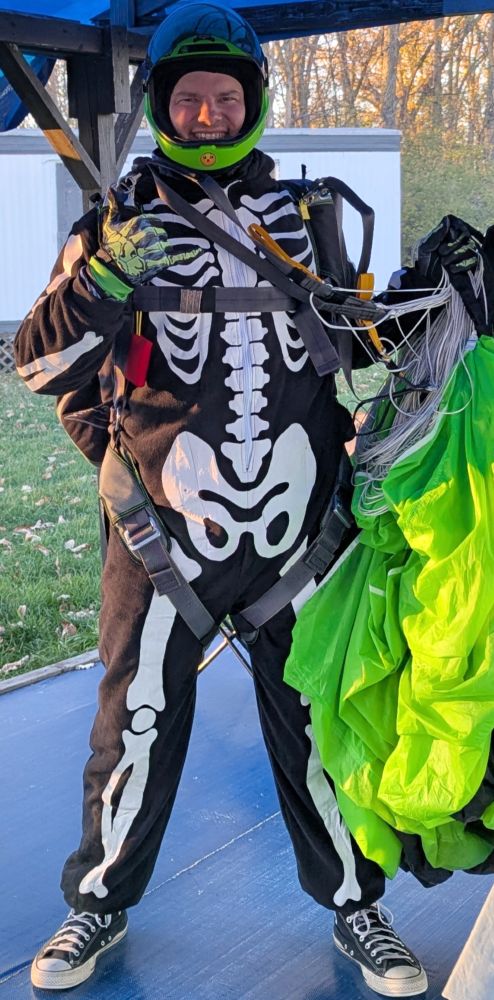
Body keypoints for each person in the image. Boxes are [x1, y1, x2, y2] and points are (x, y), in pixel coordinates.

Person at [15, 3, 428, 995]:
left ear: (250, 104)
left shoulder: (315, 219)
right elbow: (40, 364)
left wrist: (431, 294)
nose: (205, 114)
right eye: (188, 98)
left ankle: (355, 906)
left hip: (299, 530)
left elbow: (362, 342)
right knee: (135, 722)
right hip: (163, 532)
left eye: (223, 97)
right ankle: (99, 904)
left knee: (321, 720)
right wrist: (102, 284)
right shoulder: (107, 228)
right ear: (162, 104)